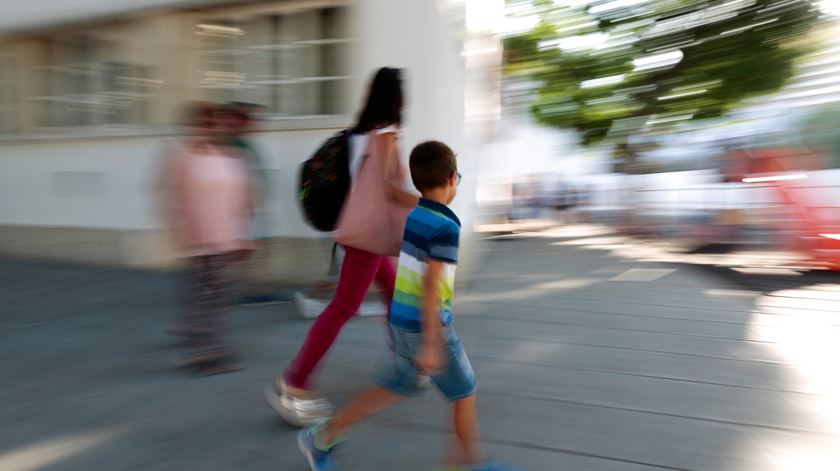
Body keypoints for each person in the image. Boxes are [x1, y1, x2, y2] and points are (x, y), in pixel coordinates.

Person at [297, 141, 515, 471]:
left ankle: (323, 436)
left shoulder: (417, 215)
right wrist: (431, 342)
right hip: (427, 328)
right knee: (465, 393)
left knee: (393, 387)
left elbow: (400, 197)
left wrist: (385, 166)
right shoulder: (447, 227)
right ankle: (474, 464)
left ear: (418, 182)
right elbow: (431, 286)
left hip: (401, 320)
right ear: (453, 178)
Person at [265, 67, 418, 424]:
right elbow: (388, 190)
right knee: (343, 309)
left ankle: (408, 363)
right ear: (398, 98)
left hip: (363, 233)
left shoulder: (358, 134)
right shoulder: (386, 135)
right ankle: (293, 381)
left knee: (395, 294)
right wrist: (427, 201)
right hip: (369, 237)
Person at [166, 103, 255, 375]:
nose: (211, 128)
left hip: (225, 238)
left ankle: (205, 348)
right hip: (205, 240)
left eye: (213, 123)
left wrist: (243, 236)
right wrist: (188, 235)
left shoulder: (226, 155)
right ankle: (204, 352)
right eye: (205, 124)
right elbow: (180, 201)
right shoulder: (187, 158)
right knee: (210, 295)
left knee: (215, 295)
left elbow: (239, 197)